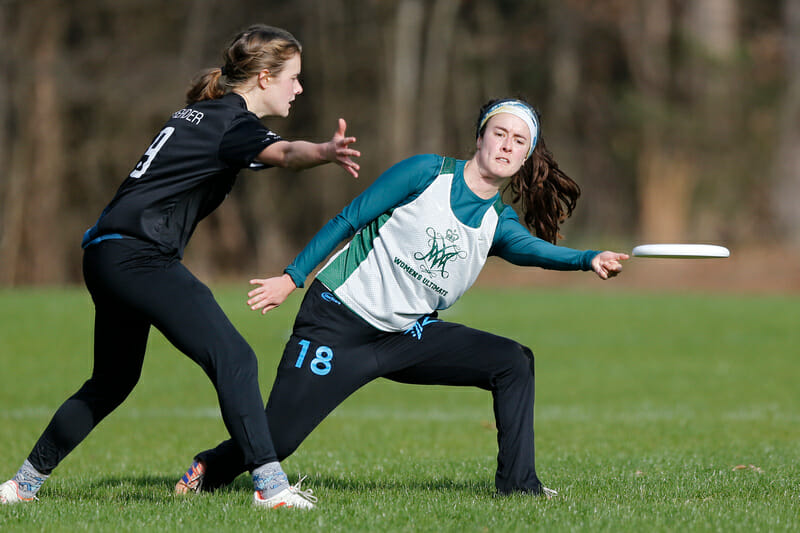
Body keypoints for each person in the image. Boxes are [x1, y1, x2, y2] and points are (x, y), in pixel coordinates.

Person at [175, 98, 628, 499]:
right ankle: (209, 468)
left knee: (512, 361)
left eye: (519, 141)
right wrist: (291, 278)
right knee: (280, 438)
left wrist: (588, 258)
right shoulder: (425, 173)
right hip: (338, 320)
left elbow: (535, 251)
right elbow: (349, 218)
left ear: (526, 157)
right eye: (500, 134)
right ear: (480, 138)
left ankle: (518, 486)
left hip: (406, 335)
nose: (507, 145)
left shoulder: (497, 222)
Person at [0, 24, 360, 510]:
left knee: (112, 381)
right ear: (263, 78)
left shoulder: (200, 114)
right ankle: (272, 490)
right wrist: (324, 151)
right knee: (235, 358)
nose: (299, 88)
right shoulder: (233, 124)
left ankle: (21, 486)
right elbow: (286, 153)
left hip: (103, 253)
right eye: (293, 78)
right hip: (139, 257)